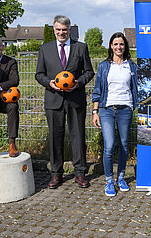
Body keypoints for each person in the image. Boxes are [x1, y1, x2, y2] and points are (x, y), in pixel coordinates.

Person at [35, 15, 95, 189]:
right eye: (58, 29)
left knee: (78, 136)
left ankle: (80, 173)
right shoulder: (45, 49)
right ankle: (56, 173)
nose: (61, 32)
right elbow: (39, 74)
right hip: (54, 100)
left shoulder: (80, 47)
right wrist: (50, 83)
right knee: (55, 137)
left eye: (64, 29)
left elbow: (89, 71)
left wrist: (78, 83)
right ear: (54, 30)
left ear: (69, 30)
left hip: (75, 99)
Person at [91, 32, 139, 197]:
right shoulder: (104, 66)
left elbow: (135, 88)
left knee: (124, 144)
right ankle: (109, 181)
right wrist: (95, 111)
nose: (118, 47)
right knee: (110, 145)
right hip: (106, 109)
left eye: (121, 44)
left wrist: (135, 107)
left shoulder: (131, 66)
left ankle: (121, 178)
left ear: (125, 47)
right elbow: (97, 90)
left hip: (125, 109)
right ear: (111, 46)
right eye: (115, 44)